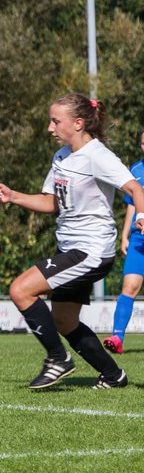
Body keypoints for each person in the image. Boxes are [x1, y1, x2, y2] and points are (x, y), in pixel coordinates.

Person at [0, 93, 144, 390]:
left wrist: (142, 217)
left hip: (91, 251)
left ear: (78, 123)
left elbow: (136, 189)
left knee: (20, 290)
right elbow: (51, 203)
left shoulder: (98, 156)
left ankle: (58, 359)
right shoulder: (61, 157)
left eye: (55, 121)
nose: (50, 127)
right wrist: (14, 196)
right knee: (64, 320)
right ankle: (114, 376)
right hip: (71, 249)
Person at [104, 127, 144, 354]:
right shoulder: (136, 170)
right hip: (139, 239)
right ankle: (117, 337)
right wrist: (125, 235)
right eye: (143, 143)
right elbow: (132, 203)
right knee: (129, 287)